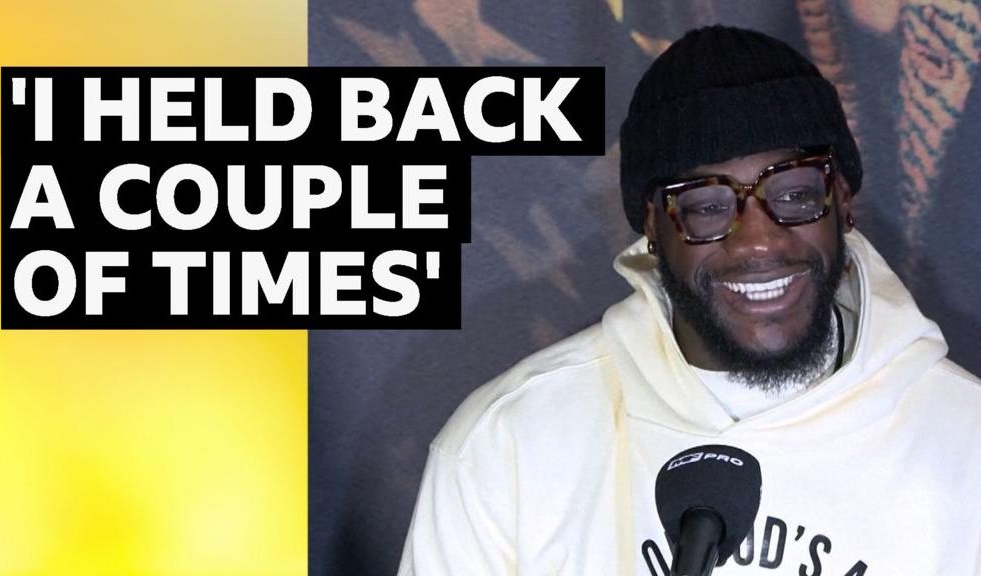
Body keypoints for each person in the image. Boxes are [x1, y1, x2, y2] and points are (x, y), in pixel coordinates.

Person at [397, 25, 981, 575]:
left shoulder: (964, 439)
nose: (758, 241)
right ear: (653, 225)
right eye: (707, 206)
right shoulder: (507, 443)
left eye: (794, 194)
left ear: (842, 202)